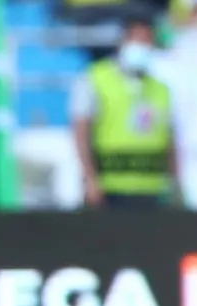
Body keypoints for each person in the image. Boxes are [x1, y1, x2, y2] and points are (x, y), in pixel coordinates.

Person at [70, 14, 178, 209]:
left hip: (153, 189)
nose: (142, 46)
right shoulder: (95, 78)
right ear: (123, 41)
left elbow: (169, 140)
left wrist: (175, 182)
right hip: (110, 189)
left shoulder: (161, 89)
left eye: (147, 41)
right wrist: (89, 178)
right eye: (137, 40)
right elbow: (81, 132)